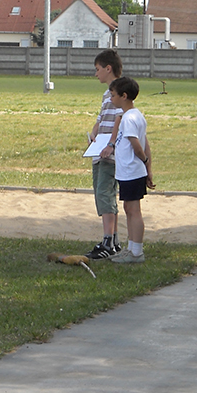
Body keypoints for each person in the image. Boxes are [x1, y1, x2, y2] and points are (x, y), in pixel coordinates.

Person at [108, 76, 154, 264]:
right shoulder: (134, 116)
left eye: (113, 95)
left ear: (124, 96)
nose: (111, 98)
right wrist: (148, 167)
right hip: (128, 171)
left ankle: (137, 252)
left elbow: (137, 144)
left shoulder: (128, 118)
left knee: (134, 210)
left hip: (132, 171)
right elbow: (144, 142)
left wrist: (144, 161)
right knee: (129, 208)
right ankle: (131, 248)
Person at [85, 49, 124, 260]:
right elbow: (101, 119)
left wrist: (111, 144)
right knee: (103, 194)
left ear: (108, 68)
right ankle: (113, 241)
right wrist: (94, 133)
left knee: (105, 194)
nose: (96, 73)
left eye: (98, 69)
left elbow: (119, 118)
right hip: (99, 151)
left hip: (109, 153)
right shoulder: (106, 94)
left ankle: (108, 241)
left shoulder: (118, 91)